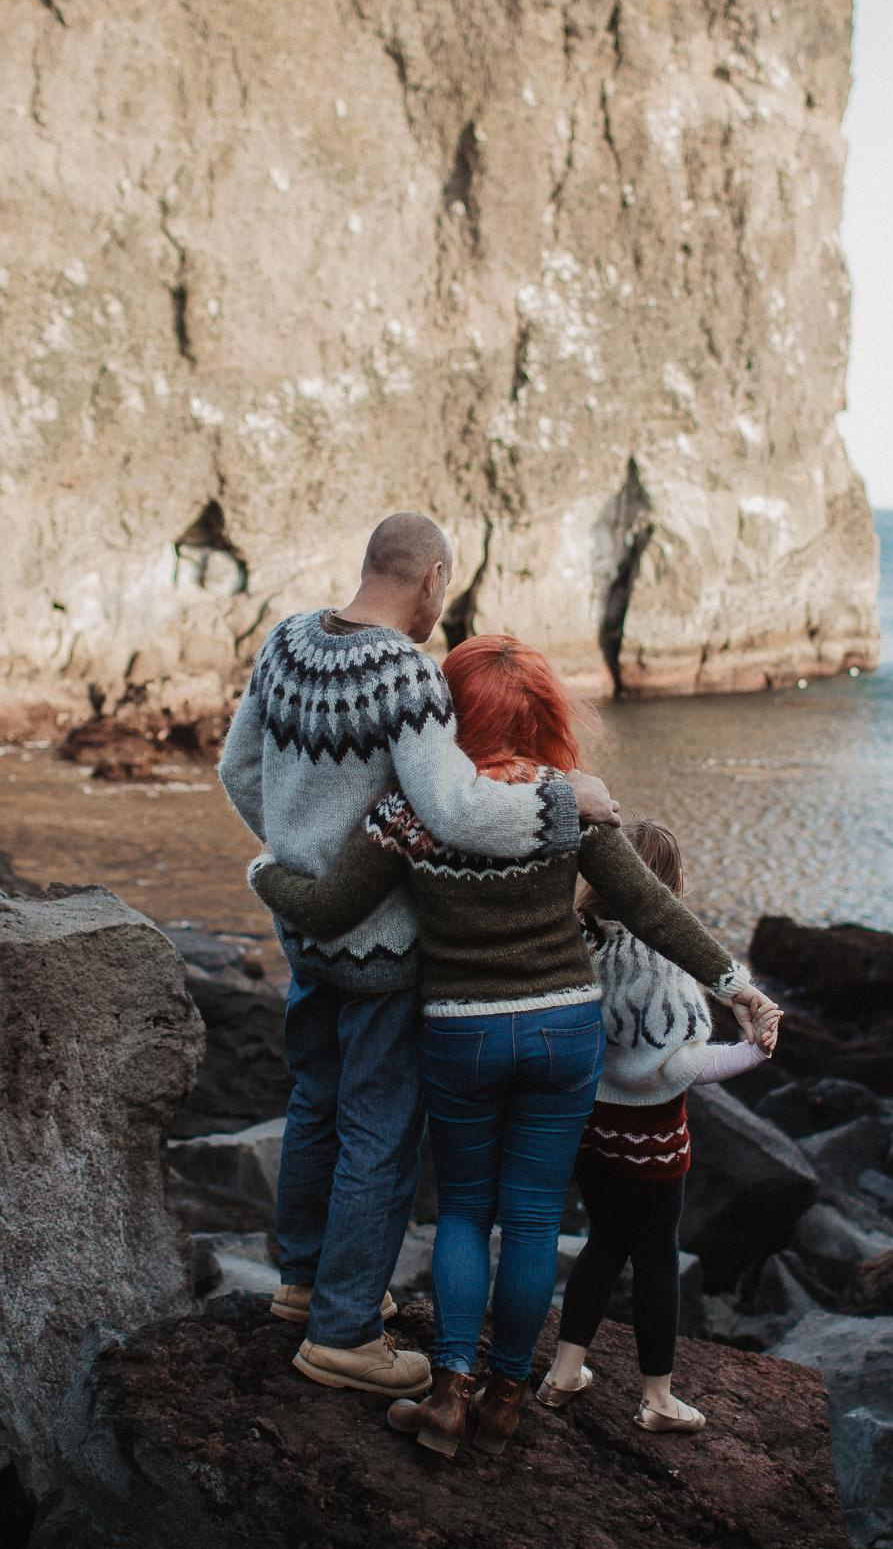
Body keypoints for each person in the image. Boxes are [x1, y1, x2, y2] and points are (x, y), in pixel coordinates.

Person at [249, 635, 780, 1458]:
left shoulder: (414, 806)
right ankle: (506, 1393)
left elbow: (330, 907)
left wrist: (265, 874)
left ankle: (450, 1392)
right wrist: (736, 985)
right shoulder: (569, 804)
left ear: (452, 710)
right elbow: (649, 906)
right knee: (533, 1219)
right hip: (564, 1029)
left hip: (459, 1029)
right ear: (548, 714)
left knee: (464, 1211)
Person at [217, 513, 623, 1399]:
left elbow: (237, 769)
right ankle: (345, 1332)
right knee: (381, 1132)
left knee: (313, 1103)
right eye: (447, 589)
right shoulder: (408, 676)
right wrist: (567, 801)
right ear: (433, 578)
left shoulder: (286, 641)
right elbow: (458, 812)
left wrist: (300, 857)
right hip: (383, 950)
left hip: (307, 931)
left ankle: (302, 1283)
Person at [538, 818, 774, 1433]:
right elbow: (688, 1065)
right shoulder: (662, 961)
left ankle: (564, 1372)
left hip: (591, 1129)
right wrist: (757, 1050)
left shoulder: (578, 939)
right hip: (653, 1140)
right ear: (667, 884)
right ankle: (658, 1399)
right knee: (657, 1259)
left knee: (603, 1242)